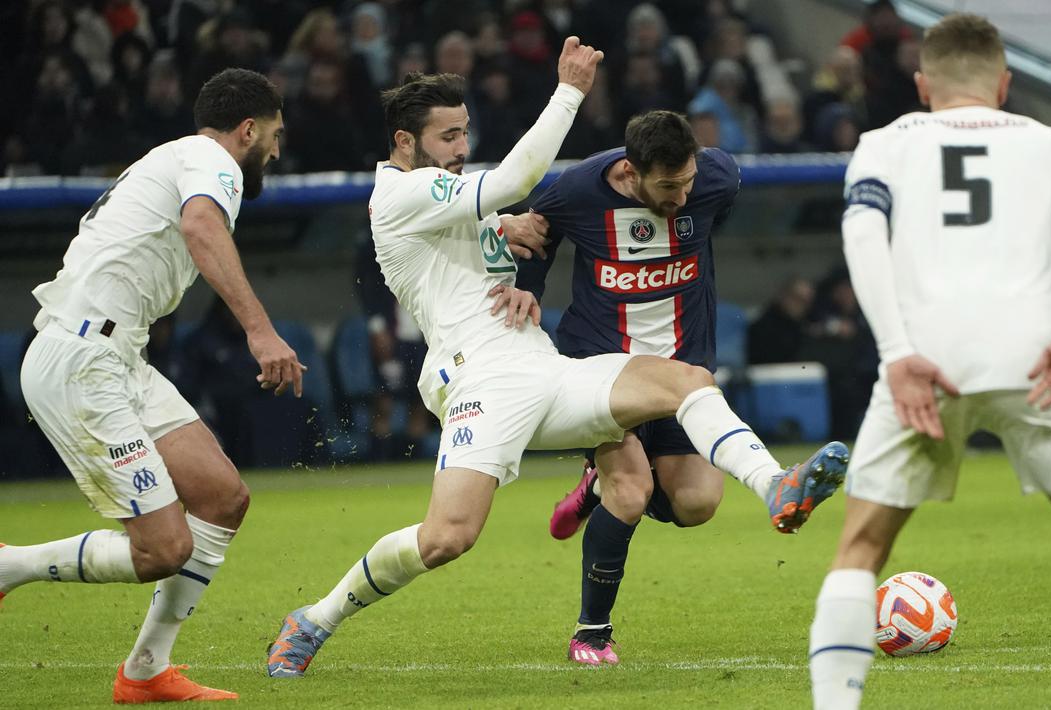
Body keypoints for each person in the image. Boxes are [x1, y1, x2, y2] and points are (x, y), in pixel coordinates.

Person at [266, 37, 848, 678]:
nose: (462, 150)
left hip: (546, 367)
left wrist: (505, 228)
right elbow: (515, 181)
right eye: (448, 137)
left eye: (465, 134)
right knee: (446, 538)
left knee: (685, 382)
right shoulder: (401, 194)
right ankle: (314, 619)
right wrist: (569, 88)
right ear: (405, 143)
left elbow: (491, 223)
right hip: (480, 380)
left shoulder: (451, 198)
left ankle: (776, 486)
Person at [809, 15, 1051, 710]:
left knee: (858, 551)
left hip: (925, 363)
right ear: (1005, 85)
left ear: (921, 86)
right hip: (1037, 359)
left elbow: (861, 231)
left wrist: (894, 352)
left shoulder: (882, 144)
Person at [2, 68, 303, 703]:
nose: (276, 150)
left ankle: (144, 673)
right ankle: (10, 566)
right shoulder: (209, 159)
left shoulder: (171, 158)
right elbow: (200, 229)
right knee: (165, 549)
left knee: (223, 498)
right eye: (274, 135)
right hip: (84, 359)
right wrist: (260, 331)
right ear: (247, 129)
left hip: (116, 355)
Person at [513, 110, 847, 665]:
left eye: (687, 181)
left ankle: (593, 488)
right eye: (667, 187)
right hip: (600, 368)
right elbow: (536, 233)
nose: (681, 196)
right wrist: (528, 288)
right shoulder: (577, 189)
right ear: (629, 171)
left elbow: (709, 202)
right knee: (632, 490)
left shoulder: (717, 178)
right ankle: (590, 634)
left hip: (680, 375)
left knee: (696, 504)